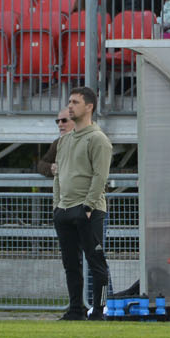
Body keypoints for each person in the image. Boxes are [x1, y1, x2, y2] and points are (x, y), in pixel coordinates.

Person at [51, 86, 112, 320]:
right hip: (64, 210)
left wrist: (88, 206)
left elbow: (100, 176)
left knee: (96, 261)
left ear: (89, 107)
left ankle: (98, 310)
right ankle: (76, 309)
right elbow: (59, 175)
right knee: (71, 264)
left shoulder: (98, 139)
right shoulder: (64, 141)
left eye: (75, 102)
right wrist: (57, 205)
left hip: (89, 211)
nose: (70, 106)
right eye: (69, 101)